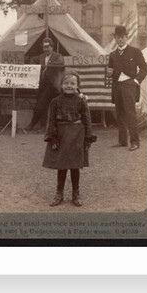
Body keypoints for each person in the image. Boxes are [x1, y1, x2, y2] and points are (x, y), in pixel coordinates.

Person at [42, 71, 97, 207]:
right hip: (61, 136)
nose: (69, 86)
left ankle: (75, 193)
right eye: (66, 83)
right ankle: (59, 193)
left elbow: (87, 120)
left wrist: (88, 138)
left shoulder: (81, 101)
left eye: (72, 83)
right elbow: (51, 121)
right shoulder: (55, 101)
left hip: (77, 135)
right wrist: (52, 137)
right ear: (61, 85)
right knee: (61, 166)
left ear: (78, 85)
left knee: (74, 166)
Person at [107, 25, 147, 151]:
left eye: (122, 37)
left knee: (130, 114)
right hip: (117, 87)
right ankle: (122, 141)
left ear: (126, 37)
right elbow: (110, 71)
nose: (120, 40)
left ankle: (134, 142)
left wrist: (135, 81)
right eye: (118, 37)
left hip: (129, 85)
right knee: (119, 114)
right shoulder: (112, 55)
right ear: (115, 38)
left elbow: (144, 68)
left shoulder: (135, 51)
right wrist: (109, 73)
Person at [26, 37, 65, 131]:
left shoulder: (57, 56)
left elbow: (60, 62)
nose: (46, 49)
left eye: (48, 47)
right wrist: (36, 68)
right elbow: (32, 59)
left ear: (52, 47)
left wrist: (46, 65)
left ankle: (33, 123)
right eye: (44, 47)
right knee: (43, 105)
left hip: (52, 85)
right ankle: (43, 126)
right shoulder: (41, 56)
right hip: (42, 84)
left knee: (41, 105)